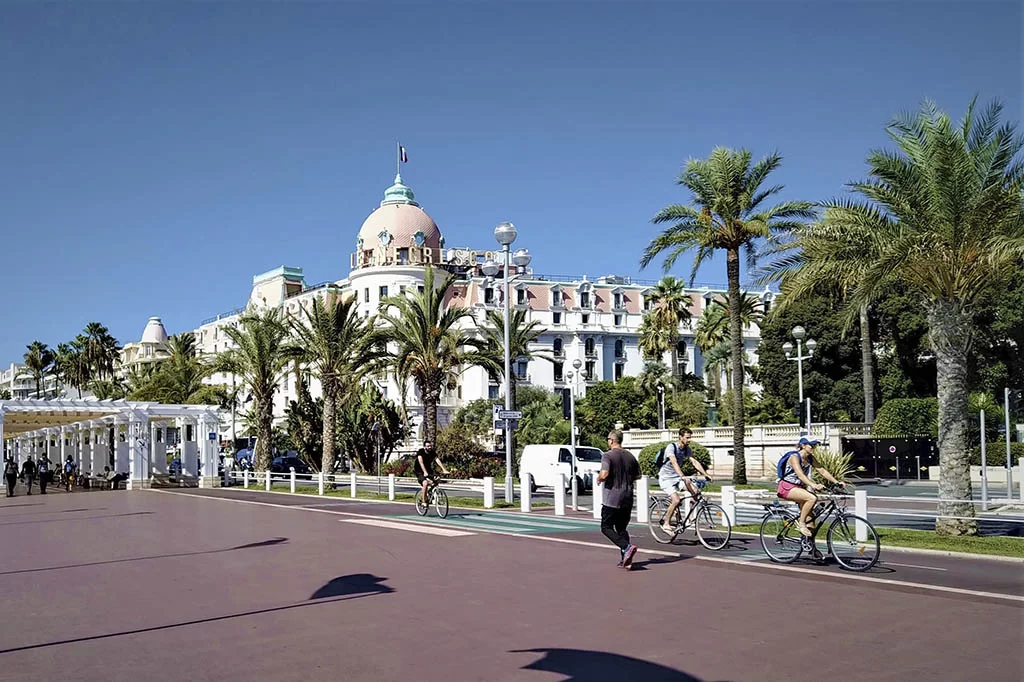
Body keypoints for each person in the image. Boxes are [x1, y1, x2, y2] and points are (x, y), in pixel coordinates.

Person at [777, 437, 846, 541]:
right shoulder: (794, 457)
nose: (814, 448)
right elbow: (800, 475)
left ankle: (811, 547)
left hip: (799, 488)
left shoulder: (810, 458)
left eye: (815, 445)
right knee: (812, 498)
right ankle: (801, 523)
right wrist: (814, 485)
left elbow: (822, 470)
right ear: (803, 445)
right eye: (811, 445)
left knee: (812, 522)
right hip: (787, 487)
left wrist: (836, 482)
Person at [598, 429, 642, 569]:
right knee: (622, 528)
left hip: (612, 498)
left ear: (611, 440)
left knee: (606, 527)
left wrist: (599, 479)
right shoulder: (630, 456)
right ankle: (625, 559)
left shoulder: (608, 456)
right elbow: (638, 475)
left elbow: (604, 474)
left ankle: (626, 547)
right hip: (627, 497)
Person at [657, 427, 713, 535]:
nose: (689, 440)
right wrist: (683, 476)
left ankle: (691, 516)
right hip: (666, 478)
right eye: (687, 438)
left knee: (695, 491)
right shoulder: (671, 447)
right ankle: (666, 523)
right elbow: (674, 463)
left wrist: (705, 474)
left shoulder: (687, 449)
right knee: (676, 500)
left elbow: (694, 462)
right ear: (680, 437)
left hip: (677, 477)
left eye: (690, 437)